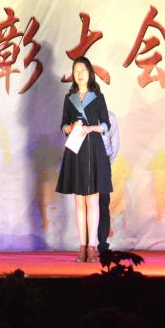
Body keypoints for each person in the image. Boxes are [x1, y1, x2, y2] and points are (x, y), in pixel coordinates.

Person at [56, 56, 113, 263]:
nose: (79, 74)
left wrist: (91, 128)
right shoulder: (69, 98)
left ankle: (92, 247)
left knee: (93, 201)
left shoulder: (98, 97)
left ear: (89, 73)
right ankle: (81, 247)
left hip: (95, 150)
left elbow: (106, 124)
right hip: (76, 151)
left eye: (83, 70)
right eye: (76, 71)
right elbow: (63, 125)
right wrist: (70, 127)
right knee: (79, 201)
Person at [97, 110, 120, 255]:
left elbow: (115, 143)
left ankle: (101, 244)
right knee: (90, 204)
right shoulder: (82, 115)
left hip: (102, 162)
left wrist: (107, 162)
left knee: (103, 204)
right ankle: (90, 244)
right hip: (90, 163)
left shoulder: (109, 116)